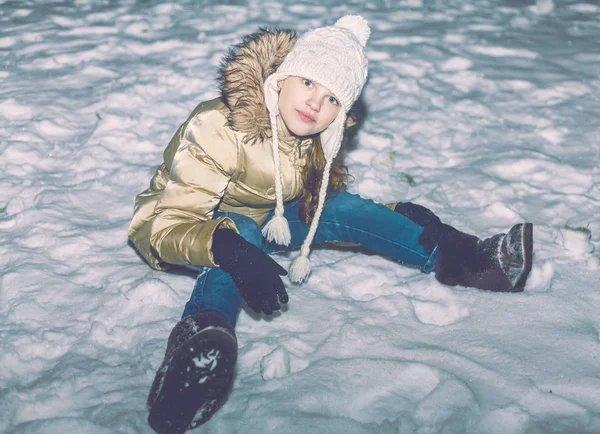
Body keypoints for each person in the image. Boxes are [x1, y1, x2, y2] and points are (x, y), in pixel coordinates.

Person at [127, 15, 533, 434]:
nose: (316, 104)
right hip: (177, 223)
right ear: (280, 80)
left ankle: (465, 260)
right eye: (308, 83)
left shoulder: (315, 138)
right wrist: (232, 250)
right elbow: (168, 225)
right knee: (240, 232)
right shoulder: (217, 125)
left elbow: (317, 207)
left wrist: (398, 215)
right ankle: (194, 360)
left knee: (339, 209)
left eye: (333, 98)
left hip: (266, 218)